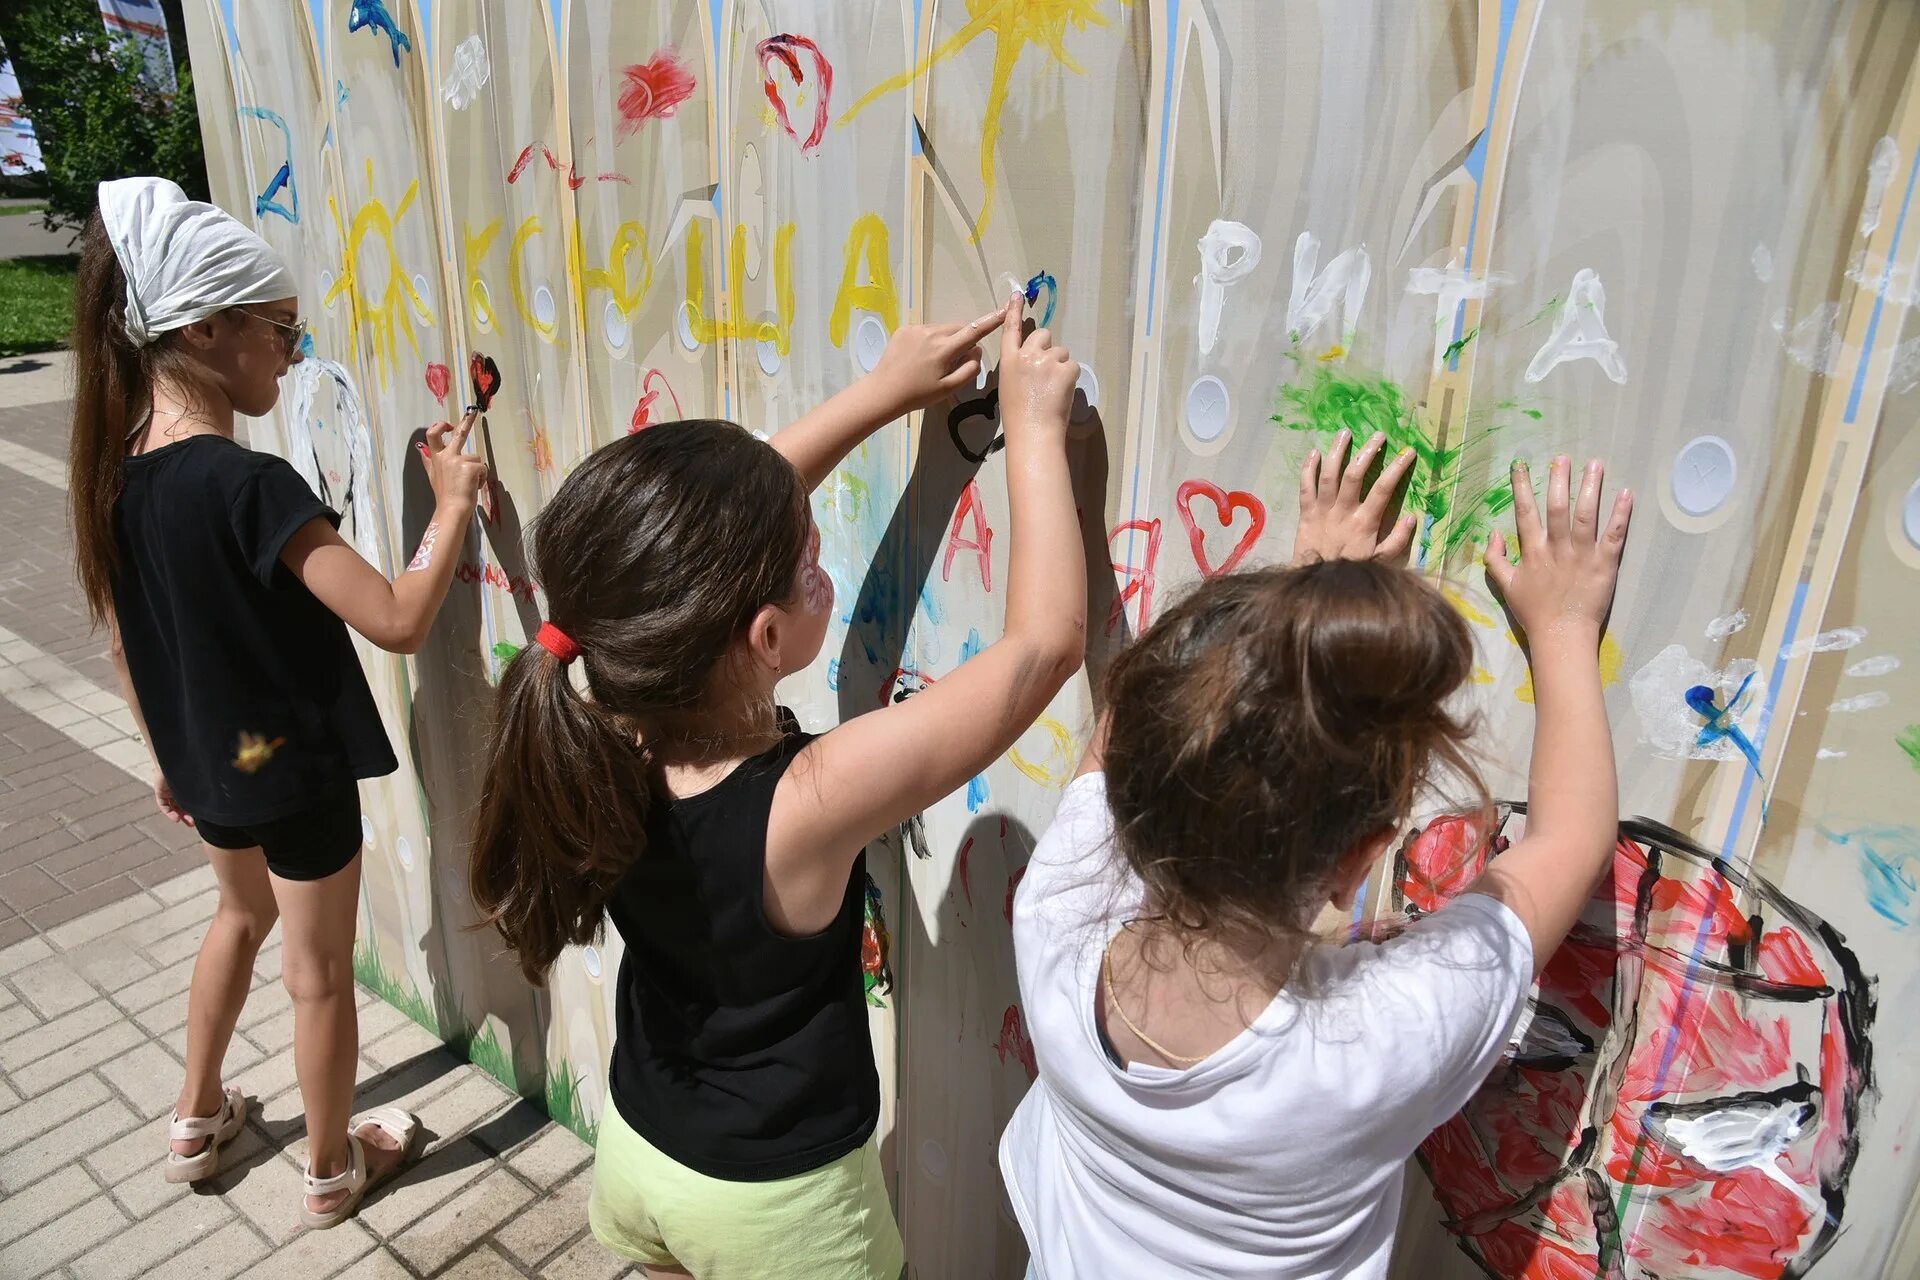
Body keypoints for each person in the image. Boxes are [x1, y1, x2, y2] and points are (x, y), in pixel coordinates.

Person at [469, 293, 1086, 1279]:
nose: (821, 560)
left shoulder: (609, 718)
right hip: (778, 1213)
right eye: (810, 563)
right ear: (761, 636)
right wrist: (1037, 427)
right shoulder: (808, 798)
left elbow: (689, 550)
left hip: (642, 1148)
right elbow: (1046, 645)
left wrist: (884, 393)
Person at [999, 433, 1635, 1278]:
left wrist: (1292, 606)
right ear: (1358, 860)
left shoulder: (1056, 912)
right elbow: (1570, 839)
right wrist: (1561, 626)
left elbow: (1124, 728)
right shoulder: (1376, 1044)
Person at [68, 177, 487, 1228]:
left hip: (212, 764)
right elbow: (393, 615)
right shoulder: (251, 488)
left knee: (238, 914)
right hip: (290, 772)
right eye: (282, 332)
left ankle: (195, 1118)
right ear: (209, 328)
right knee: (317, 975)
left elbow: (127, 639)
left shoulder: (116, 477)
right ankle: (334, 1167)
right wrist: (450, 506)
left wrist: (165, 755)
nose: (292, 355)